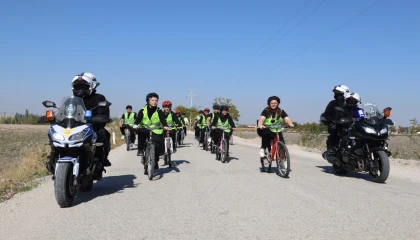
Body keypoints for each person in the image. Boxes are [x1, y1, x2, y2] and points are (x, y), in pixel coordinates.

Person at [133, 92, 169, 173]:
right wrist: (135, 125)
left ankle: (155, 161)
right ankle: (140, 149)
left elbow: (163, 120)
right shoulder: (142, 111)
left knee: (158, 145)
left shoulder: (159, 111)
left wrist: (165, 126)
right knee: (141, 133)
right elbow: (138, 119)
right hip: (145, 129)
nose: (155, 102)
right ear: (148, 101)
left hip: (156, 130)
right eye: (152, 100)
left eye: (156, 100)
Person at [323, 85, 350, 154]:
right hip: (337, 124)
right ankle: (331, 147)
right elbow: (326, 114)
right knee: (334, 129)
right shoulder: (333, 103)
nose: (337, 95)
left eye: (339, 93)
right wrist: (333, 121)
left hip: (349, 124)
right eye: (336, 93)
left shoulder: (351, 103)